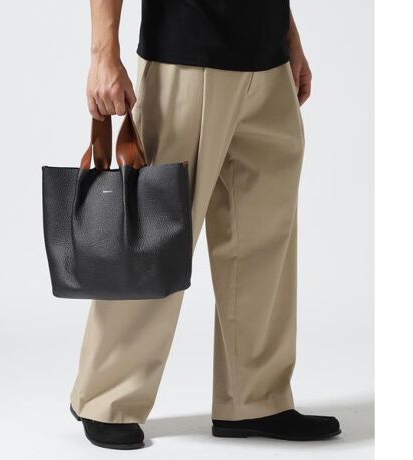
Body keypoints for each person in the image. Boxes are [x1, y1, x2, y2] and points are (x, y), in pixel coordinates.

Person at [69, 0, 341, 450]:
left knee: (264, 241)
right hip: (184, 57)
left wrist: (289, 37)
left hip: (268, 61)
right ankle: (106, 397)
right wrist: (103, 54)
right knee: (153, 236)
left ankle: (255, 399)